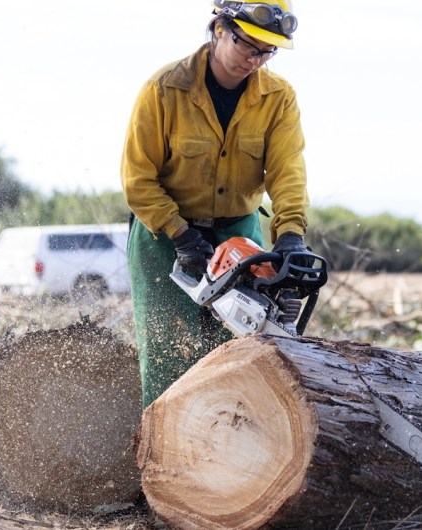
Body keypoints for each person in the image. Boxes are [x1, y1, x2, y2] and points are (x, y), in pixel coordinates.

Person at [121, 0, 312, 408]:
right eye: (249, 46)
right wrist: (181, 234)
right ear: (221, 28)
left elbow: (288, 171)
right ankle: (163, 451)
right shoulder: (165, 89)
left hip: (236, 230)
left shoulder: (277, 98)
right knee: (168, 352)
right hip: (165, 235)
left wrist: (291, 235)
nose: (255, 60)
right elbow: (138, 179)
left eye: (266, 51)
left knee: (240, 345)